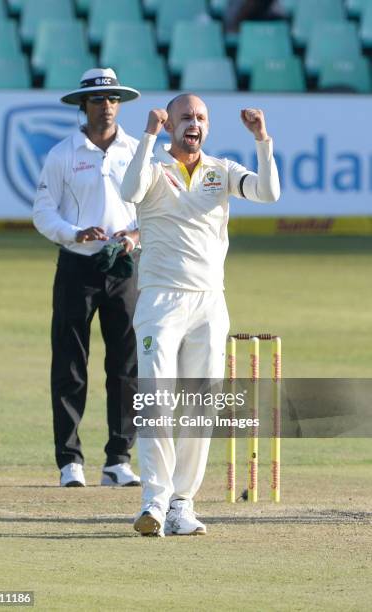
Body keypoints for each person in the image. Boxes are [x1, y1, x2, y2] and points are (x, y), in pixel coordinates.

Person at [121, 94, 280, 536]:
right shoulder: (153, 170)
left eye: (201, 118)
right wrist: (147, 137)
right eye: (185, 117)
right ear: (170, 124)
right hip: (160, 300)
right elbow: (127, 191)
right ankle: (153, 501)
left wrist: (262, 139)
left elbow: (268, 192)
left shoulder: (222, 170)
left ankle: (180, 504)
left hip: (210, 302)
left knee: (200, 406)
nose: (194, 123)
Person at [33, 68, 142, 488]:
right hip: (78, 266)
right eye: (98, 99)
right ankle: (69, 461)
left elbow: (154, 212)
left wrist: (134, 235)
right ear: (83, 105)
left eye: (113, 98)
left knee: (126, 365)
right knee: (70, 364)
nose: (107, 105)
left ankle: (118, 459)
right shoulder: (63, 153)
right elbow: (44, 212)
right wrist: (75, 232)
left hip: (124, 266)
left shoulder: (137, 150)